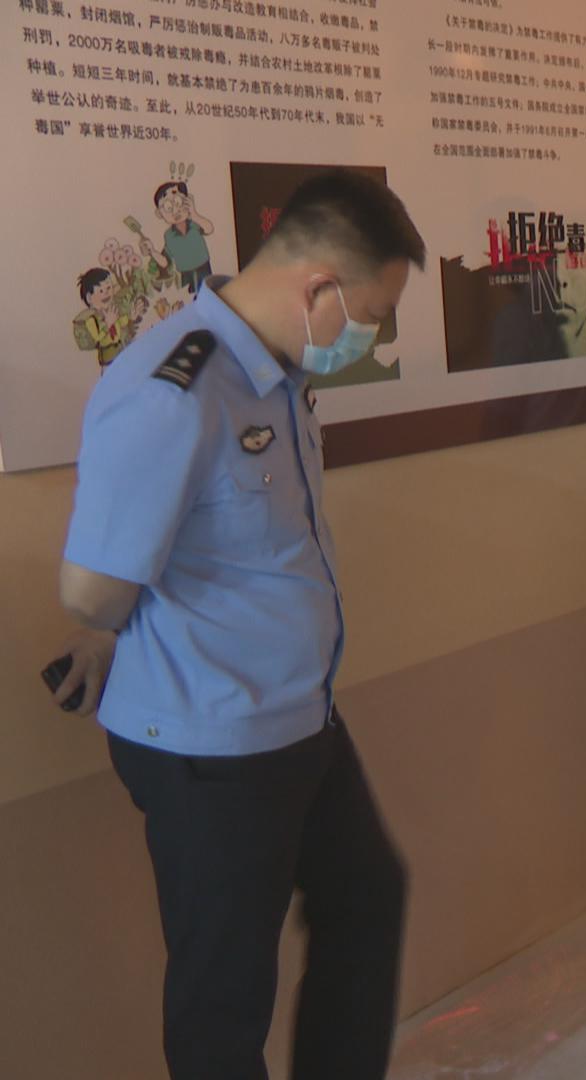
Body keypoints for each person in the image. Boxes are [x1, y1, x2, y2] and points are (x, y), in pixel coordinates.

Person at [48, 169, 422, 1079]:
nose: (370, 338)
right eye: (370, 316)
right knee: (224, 1000)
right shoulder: (175, 389)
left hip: (297, 716)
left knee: (367, 896)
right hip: (209, 742)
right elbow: (91, 590)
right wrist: (107, 626)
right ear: (319, 287)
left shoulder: (276, 373)